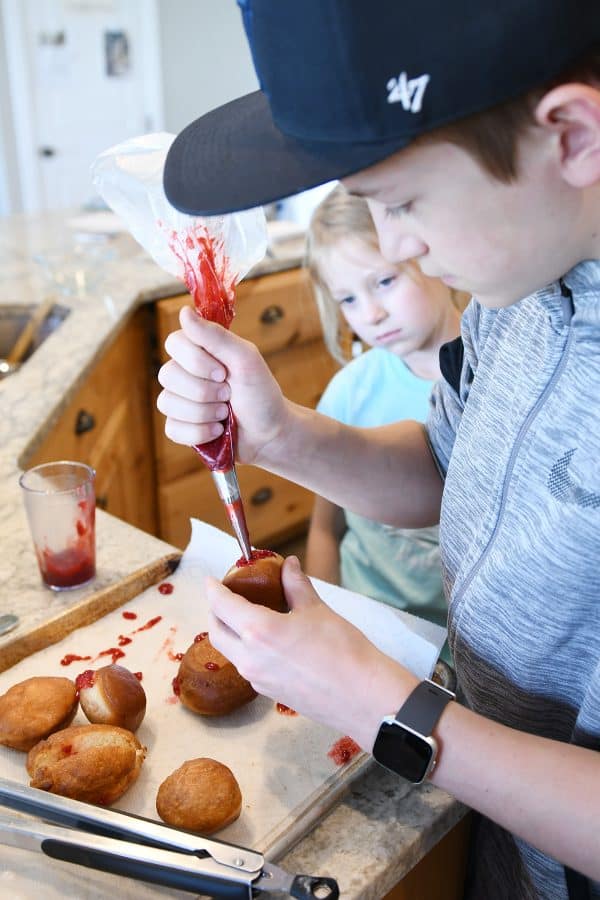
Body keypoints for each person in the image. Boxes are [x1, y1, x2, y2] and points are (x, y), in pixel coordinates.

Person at [156, 2, 600, 897]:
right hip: (492, 840)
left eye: (402, 204)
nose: (397, 247)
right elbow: (449, 464)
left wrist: (380, 705)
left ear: (574, 136)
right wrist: (281, 433)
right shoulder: (523, 271)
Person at [304, 183, 461, 659]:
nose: (369, 314)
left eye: (384, 282)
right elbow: (325, 528)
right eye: (347, 300)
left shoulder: (495, 379)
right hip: (365, 633)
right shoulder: (350, 392)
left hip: (464, 654)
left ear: (429, 253)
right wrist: (323, 623)